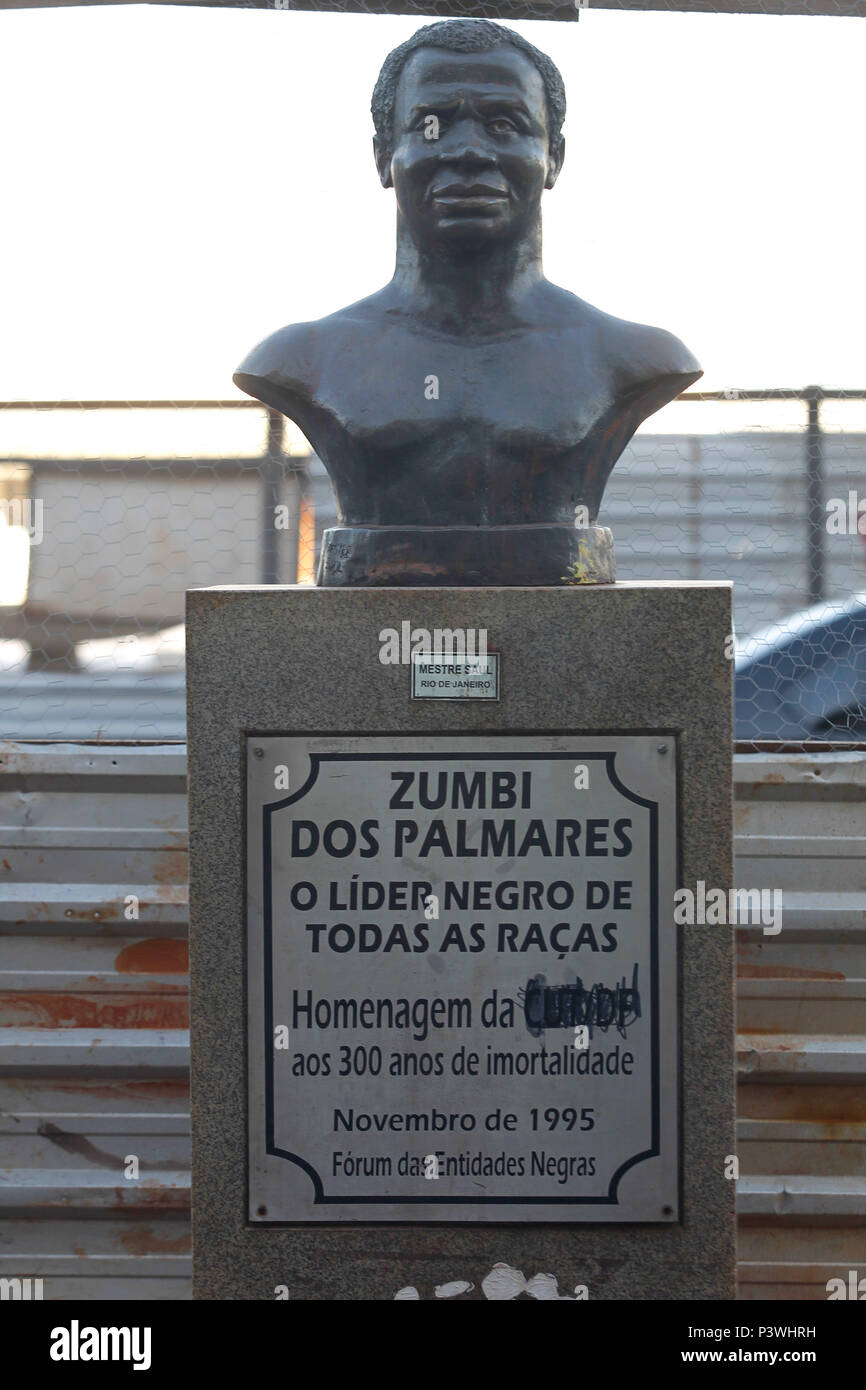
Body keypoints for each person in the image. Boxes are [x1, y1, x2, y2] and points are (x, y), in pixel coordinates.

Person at [234, 18, 702, 585]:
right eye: (432, 126)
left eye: (505, 124)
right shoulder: (301, 360)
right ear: (384, 156)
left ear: (554, 156)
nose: (469, 151)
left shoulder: (634, 360)